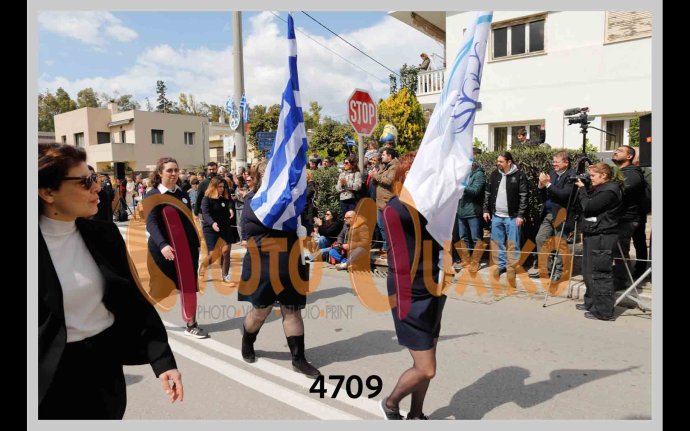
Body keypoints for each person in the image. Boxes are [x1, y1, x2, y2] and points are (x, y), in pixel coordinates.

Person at [38, 143, 182, 419]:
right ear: (47, 192)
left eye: (95, 178)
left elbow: (133, 300)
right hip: (49, 380)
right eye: (85, 181)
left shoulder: (103, 235)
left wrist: (162, 359)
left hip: (104, 371)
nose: (97, 188)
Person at [379, 151, 446, 420]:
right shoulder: (395, 208)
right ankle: (391, 403)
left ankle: (416, 414)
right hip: (408, 291)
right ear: (408, 175)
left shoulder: (432, 207)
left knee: (427, 358)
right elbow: (415, 217)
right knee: (426, 368)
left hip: (433, 285)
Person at [238, 164, 321, 378]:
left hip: (290, 261)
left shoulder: (294, 200)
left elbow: (307, 224)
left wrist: (303, 225)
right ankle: (247, 341)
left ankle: (298, 359)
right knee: (261, 311)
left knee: (292, 311)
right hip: (262, 262)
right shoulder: (252, 200)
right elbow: (249, 228)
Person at [145, 157, 207, 338]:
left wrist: (197, 245)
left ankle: (191, 324)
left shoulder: (182, 193)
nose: (174, 173)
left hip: (186, 250)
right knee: (161, 291)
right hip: (164, 250)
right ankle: (140, 317)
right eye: (169, 170)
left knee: (188, 286)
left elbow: (188, 221)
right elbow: (151, 223)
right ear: (160, 173)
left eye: (176, 170)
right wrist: (163, 244)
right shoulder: (153, 195)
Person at [573, 163, 622, 321]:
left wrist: (582, 189)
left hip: (603, 235)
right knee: (588, 271)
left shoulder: (610, 190)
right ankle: (591, 303)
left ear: (604, 175)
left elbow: (589, 206)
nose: (591, 178)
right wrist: (584, 188)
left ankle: (604, 311)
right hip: (593, 233)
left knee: (600, 273)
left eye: (593, 175)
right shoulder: (599, 188)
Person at [483, 151, 529, 287]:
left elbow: (524, 196)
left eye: (501, 161)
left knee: (513, 243)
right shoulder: (494, 174)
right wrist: (486, 210)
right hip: (497, 216)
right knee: (497, 243)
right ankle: (501, 265)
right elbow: (488, 193)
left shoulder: (519, 175)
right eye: (497, 161)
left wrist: (521, 215)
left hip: (512, 217)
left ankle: (511, 268)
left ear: (509, 162)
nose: (498, 163)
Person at [531, 150, 576, 280]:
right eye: (553, 161)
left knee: (560, 243)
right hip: (549, 213)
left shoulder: (571, 176)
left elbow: (564, 195)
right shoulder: (552, 174)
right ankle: (545, 269)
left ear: (566, 162)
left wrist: (547, 184)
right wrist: (541, 186)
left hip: (562, 214)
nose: (554, 164)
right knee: (540, 238)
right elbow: (545, 194)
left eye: (557, 162)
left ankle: (560, 272)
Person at [612, 145, 648, 287]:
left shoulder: (633, 174)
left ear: (629, 156)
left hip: (629, 218)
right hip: (623, 217)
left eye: (620, 151)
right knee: (620, 248)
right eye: (616, 150)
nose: (615, 152)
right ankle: (624, 273)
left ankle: (622, 279)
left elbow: (620, 191)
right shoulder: (620, 172)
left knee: (622, 248)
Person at [200, 176, 239, 282]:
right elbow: (206, 214)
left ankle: (225, 275)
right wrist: (212, 223)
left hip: (225, 227)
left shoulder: (224, 197)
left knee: (226, 252)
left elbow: (229, 202)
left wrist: (230, 209)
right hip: (211, 229)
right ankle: (203, 266)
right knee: (213, 254)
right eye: (219, 187)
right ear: (213, 187)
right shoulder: (206, 199)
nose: (221, 189)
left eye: (223, 187)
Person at [455, 147, 486, 273]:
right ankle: (466, 260)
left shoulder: (479, 174)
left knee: (476, 239)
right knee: (463, 238)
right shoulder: (464, 174)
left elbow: (475, 191)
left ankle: (476, 262)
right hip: (461, 211)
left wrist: (461, 185)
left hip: (473, 211)